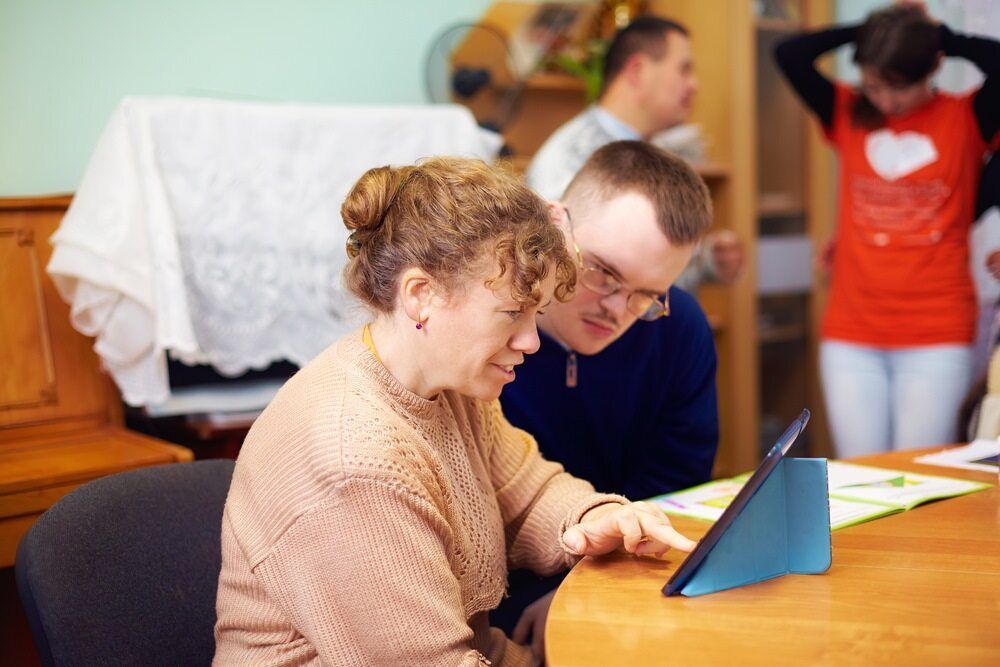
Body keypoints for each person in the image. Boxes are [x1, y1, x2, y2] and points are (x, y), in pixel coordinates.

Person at [212, 157, 696, 666]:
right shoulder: (353, 461)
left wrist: (599, 516)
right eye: (512, 314)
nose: (531, 341)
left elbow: (529, 494)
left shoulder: (451, 386)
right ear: (422, 296)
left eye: (536, 314)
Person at [494, 140, 717, 657]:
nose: (618, 309)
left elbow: (674, 488)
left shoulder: (678, 327)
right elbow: (480, 514)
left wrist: (586, 589)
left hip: (625, 572)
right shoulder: (484, 331)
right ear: (555, 223)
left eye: (647, 294)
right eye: (602, 272)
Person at [774, 2, 999, 457]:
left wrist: (938, 38)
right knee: (859, 471)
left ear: (933, 67)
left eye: (898, 89)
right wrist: (876, 30)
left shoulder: (966, 117)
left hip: (937, 333)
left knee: (919, 476)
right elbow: (790, 53)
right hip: (851, 334)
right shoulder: (848, 111)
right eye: (873, 85)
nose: (885, 101)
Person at [526, 15, 744, 291]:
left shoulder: (653, 152)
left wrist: (706, 260)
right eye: (684, 70)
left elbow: (644, 263)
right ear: (638, 70)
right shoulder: (572, 157)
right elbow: (570, 275)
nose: (694, 85)